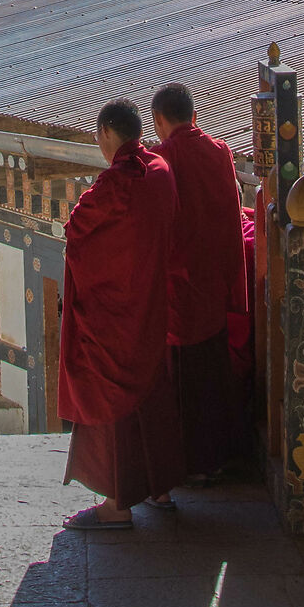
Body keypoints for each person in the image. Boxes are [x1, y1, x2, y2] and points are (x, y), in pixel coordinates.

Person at [58, 96, 186, 530]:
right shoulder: (161, 172)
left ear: (108, 134)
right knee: (151, 392)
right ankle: (160, 488)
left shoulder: (115, 183)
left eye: (98, 137)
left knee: (111, 396)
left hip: (114, 311)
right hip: (151, 302)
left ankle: (116, 506)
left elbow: (77, 230)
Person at [151, 82, 251, 481]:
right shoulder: (220, 151)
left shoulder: (160, 159)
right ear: (194, 116)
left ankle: (189, 465)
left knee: (182, 377)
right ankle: (215, 459)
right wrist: (233, 279)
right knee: (212, 370)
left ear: (159, 121)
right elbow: (231, 213)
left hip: (178, 284)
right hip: (215, 278)